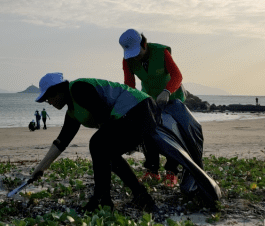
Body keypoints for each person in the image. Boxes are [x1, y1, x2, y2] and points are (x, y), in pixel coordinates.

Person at [30, 72, 159, 212]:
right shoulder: (73, 111)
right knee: (106, 150)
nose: (50, 102)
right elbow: (61, 142)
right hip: (136, 111)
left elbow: (104, 117)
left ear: (60, 90)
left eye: (50, 96)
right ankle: (140, 196)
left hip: (140, 108)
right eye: (47, 100)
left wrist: (101, 195)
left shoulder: (79, 89)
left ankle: (101, 200)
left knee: (98, 144)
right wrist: (41, 168)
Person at [119, 29, 185, 188]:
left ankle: (172, 172)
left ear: (144, 44)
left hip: (172, 96)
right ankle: (152, 170)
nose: (135, 56)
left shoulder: (161, 52)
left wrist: (167, 91)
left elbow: (177, 76)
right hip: (148, 98)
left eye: (137, 51)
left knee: (173, 133)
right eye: (131, 53)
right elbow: (129, 84)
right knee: (146, 132)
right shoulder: (128, 60)